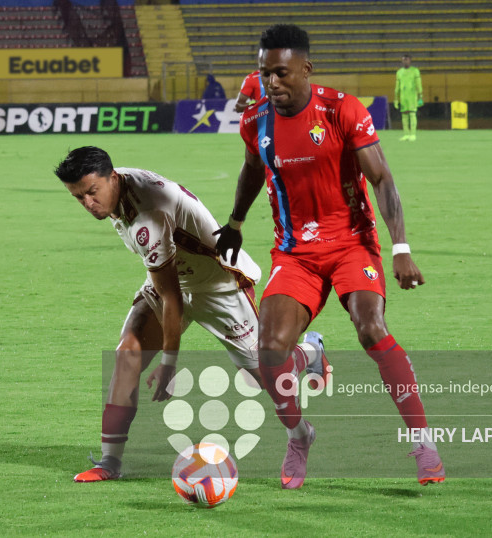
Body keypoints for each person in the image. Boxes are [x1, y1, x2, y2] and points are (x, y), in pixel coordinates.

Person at [214, 24, 444, 489]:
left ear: (305, 69)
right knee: (269, 351)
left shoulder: (342, 110)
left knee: (371, 328)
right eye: (264, 74)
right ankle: (300, 436)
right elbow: (252, 170)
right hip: (295, 253)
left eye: (280, 73)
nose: (271, 83)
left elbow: (381, 178)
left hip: (351, 243)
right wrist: (234, 224)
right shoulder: (256, 121)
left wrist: (401, 248)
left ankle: (423, 442)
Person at [54, 146, 327, 482]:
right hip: (172, 276)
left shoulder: (148, 216)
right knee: (127, 353)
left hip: (219, 287)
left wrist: (168, 364)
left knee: (267, 376)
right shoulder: (115, 182)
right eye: (78, 197)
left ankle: (309, 375)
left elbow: (172, 299)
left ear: (112, 178)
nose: (88, 204)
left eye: (92, 193)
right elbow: (168, 287)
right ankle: (109, 463)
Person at [394, 54, 423, 142]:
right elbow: (397, 86)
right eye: (403, 60)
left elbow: (418, 84)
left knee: (412, 114)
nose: (405, 61)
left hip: (412, 96)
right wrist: (396, 98)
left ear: (410, 60)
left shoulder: (415, 71)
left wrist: (420, 96)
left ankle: (413, 134)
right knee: (404, 115)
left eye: (406, 60)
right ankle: (406, 134)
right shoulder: (399, 72)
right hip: (403, 97)